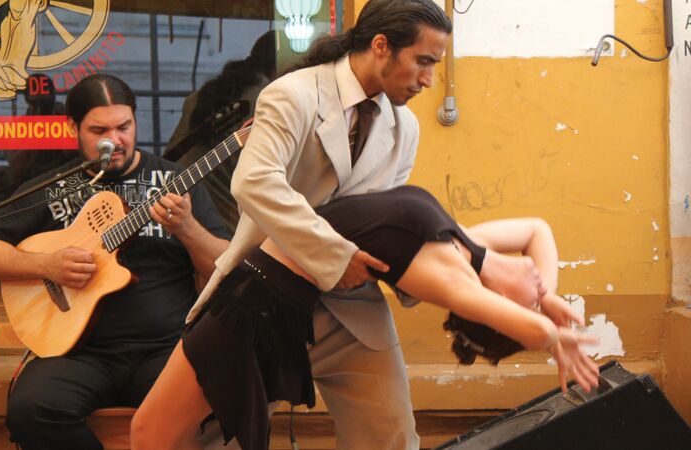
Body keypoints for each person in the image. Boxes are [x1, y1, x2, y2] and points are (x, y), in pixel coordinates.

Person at [136, 0, 571, 448]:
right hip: (264, 301)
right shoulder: (293, 94)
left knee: (392, 439)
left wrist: (440, 277)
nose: (428, 79)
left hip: (351, 310)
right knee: (212, 439)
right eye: (423, 61)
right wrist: (335, 255)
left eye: (435, 66)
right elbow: (254, 184)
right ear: (381, 46)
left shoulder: (404, 128)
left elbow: (381, 221)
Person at [130, 185, 600, 450]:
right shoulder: (468, 246)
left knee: (151, 435)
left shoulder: (445, 276)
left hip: (258, 313)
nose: (540, 282)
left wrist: (553, 335)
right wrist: (550, 301)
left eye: (533, 294)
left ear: (496, 305)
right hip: (254, 300)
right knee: (159, 435)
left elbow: (528, 326)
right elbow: (539, 230)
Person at [0, 74, 231, 450]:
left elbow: (223, 267)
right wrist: (47, 265)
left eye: (124, 126)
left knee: (213, 398)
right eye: (99, 129)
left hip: (166, 349)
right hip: (77, 353)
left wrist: (187, 228)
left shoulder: (175, 181)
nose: (115, 140)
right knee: (30, 409)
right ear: (73, 127)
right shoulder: (55, 186)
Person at [166, 31, 277, 231]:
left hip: (177, 204)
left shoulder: (204, 94)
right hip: (224, 220)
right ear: (281, 67)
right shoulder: (267, 100)